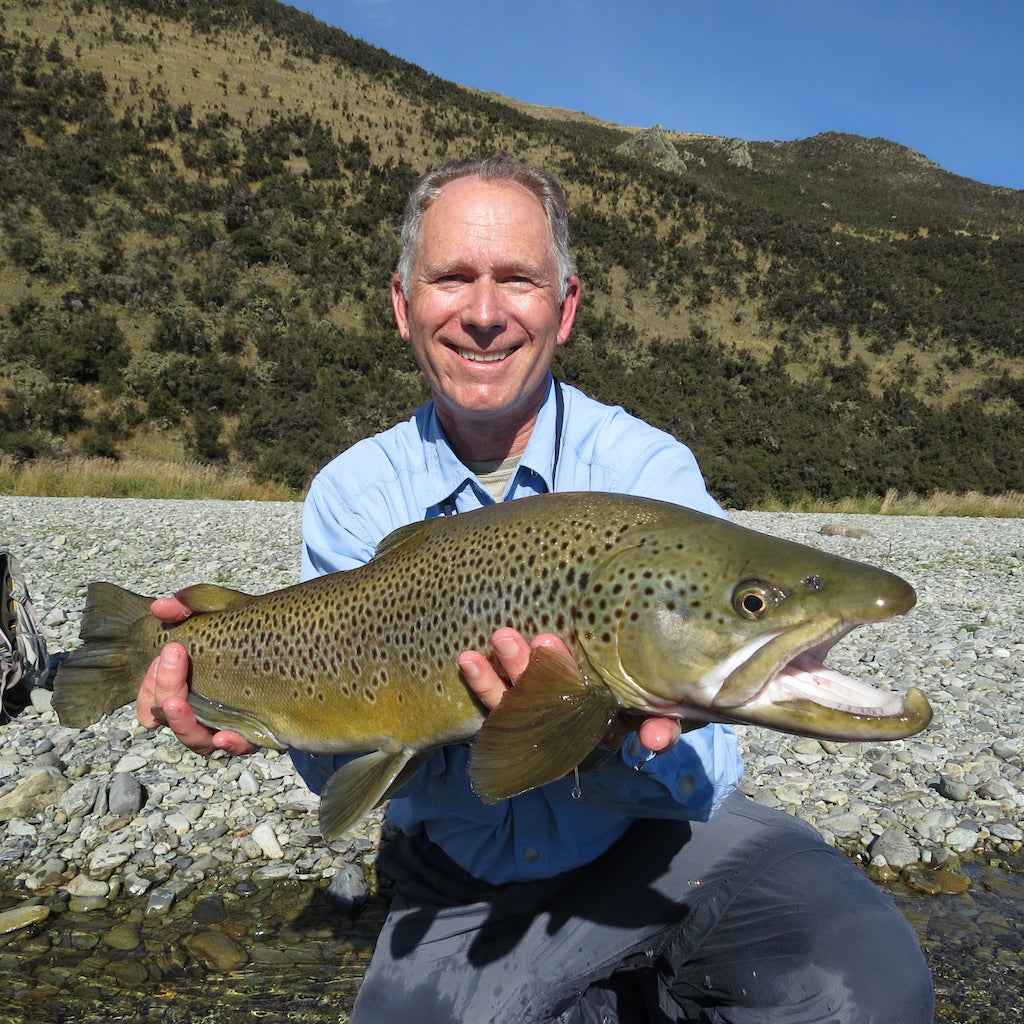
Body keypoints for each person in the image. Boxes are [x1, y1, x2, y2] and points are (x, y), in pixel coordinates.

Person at [136, 155, 933, 1023]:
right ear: (404, 305)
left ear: (567, 304)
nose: (483, 313)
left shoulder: (646, 471)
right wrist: (230, 702)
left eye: (517, 279)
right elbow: (341, 731)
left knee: (867, 986)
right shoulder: (352, 493)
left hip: (665, 845)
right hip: (460, 876)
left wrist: (598, 733)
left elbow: (710, 759)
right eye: (452, 278)